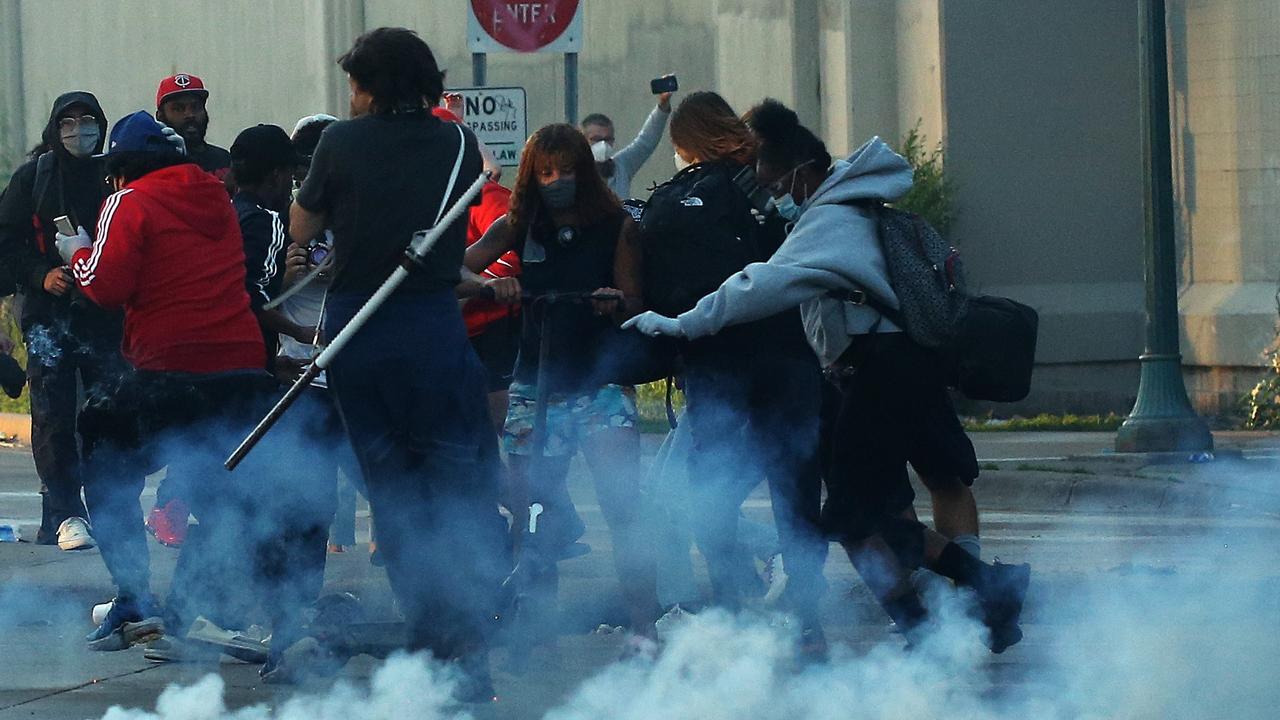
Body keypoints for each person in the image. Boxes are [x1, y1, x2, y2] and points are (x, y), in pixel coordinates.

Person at [625, 98, 1031, 653]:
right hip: (893, 365)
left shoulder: (830, 220)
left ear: (801, 172)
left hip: (882, 370)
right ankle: (962, 608)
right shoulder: (852, 206)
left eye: (772, 183)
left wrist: (681, 324)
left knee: (851, 515)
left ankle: (974, 597)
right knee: (867, 510)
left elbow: (759, 285)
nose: (770, 195)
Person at [289, 27, 510, 701]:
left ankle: (426, 630)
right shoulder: (455, 144)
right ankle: (465, 642)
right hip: (435, 328)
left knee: (393, 490)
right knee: (458, 482)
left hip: (362, 330)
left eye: (354, 83)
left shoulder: (340, 142)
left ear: (369, 86)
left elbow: (301, 229)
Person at [632, 90, 829, 651]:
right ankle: (808, 627)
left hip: (716, 368)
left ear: (682, 144)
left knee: (708, 493)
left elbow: (658, 288)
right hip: (789, 361)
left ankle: (728, 615)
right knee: (795, 493)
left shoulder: (670, 201)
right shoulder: (768, 189)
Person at [465, 123, 660, 651]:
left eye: (566, 170)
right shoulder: (519, 224)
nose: (557, 181)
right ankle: (534, 631)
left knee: (623, 509)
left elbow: (637, 300)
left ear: (585, 172)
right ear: (532, 174)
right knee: (531, 514)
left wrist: (615, 300)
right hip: (534, 388)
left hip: (600, 387)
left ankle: (645, 631)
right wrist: (490, 284)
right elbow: (457, 269)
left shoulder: (618, 225)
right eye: (546, 171)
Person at [0, 91, 122, 551]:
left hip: (104, 314)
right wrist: (41, 273)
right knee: (52, 413)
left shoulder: (116, 177)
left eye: (86, 121)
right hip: (47, 316)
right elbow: (5, 245)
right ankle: (68, 511)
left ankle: (108, 507)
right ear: (54, 129)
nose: (78, 131)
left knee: (108, 411)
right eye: (67, 122)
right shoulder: (32, 178)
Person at [582, 79, 674, 198]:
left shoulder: (621, 166)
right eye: (596, 139)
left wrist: (663, 105)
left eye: (608, 139)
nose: (603, 145)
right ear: (583, 140)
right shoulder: (570, 172)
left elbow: (646, 142)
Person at [154, 74, 231, 185]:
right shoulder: (155, 164)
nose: (190, 115)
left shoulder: (223, 159)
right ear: (160, 116)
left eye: (195, 107)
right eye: (178, 109)